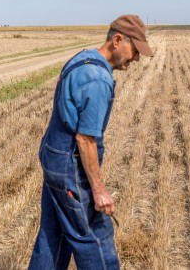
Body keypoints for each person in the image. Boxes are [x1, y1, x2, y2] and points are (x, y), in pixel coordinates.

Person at [28, 15, 154, 270]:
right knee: (95, 238)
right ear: (117, 40)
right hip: (70, 169)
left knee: (54, 237)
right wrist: (99, 191)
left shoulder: (82, 59)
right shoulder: (98, 79)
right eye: (135, 50)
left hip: (53, 158)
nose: (136, 58)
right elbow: (85, 140)